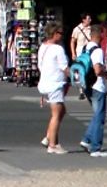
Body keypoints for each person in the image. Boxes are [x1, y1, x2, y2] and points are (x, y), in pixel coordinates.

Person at [36, 22, 69, 154]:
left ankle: (48, 137)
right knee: (56, 114)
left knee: (61, 111)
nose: (61, 36)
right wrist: (76, 76)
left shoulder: (42, 47)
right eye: (60, 33)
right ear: (54, 34)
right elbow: (64, 67)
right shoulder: (58, 49)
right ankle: (53, 145)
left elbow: (41, 66)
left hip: (45, 83)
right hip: (55, 84)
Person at [80, 24, 107, 157]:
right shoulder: (98, 51)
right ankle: (95, 148)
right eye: (103, 34)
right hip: (97, 86)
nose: (104, 37)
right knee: (100, 117)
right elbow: (98, 70)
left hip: (86, 84)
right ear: (99, 35)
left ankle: (87, 140)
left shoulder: (85, 48)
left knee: (96, 115)